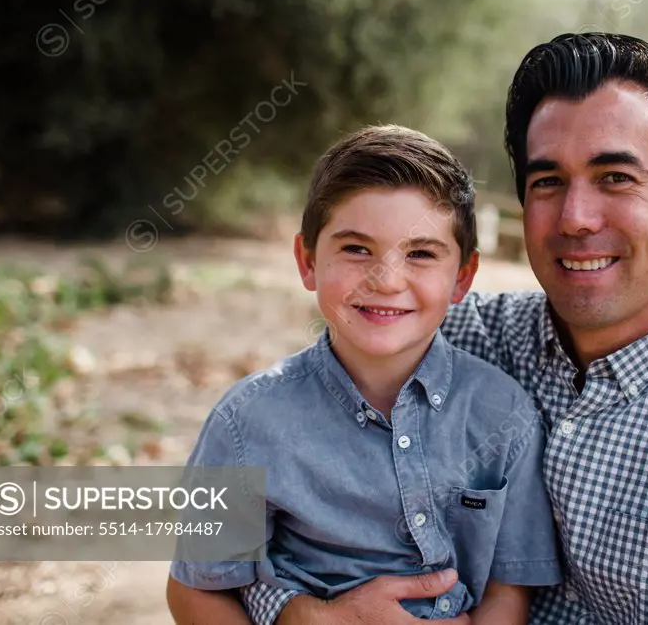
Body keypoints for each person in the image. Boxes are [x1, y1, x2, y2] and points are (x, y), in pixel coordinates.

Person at [247, 31, 648, 624]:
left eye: (615, 178)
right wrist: (300, 614)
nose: (576, 219)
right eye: (547, 182)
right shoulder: (444, 338)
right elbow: (194, 542)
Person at [165, 124, 562, 624]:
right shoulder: (247, 423)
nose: (387, 280)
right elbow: (195, 591)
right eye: (356, 249)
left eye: (420, 254)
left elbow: (510, 587)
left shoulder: (505, 414)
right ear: (307, 261)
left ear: (463, 276)